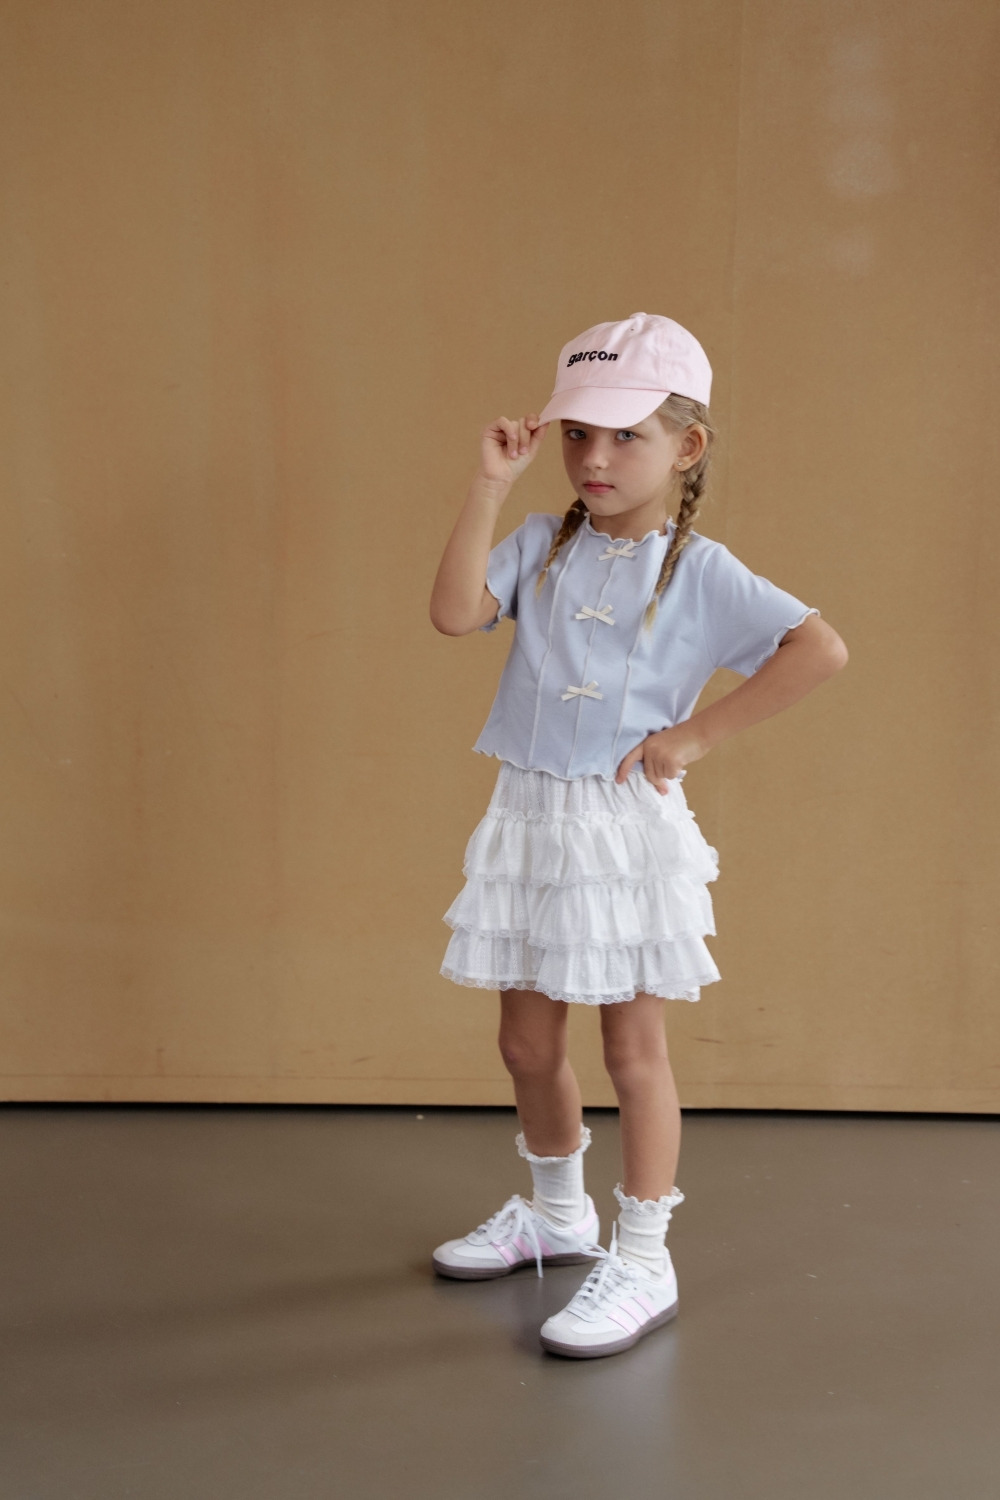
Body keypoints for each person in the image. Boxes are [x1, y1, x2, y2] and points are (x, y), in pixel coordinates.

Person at [427, 312, 848, 1359]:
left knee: (630, 1049)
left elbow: (818, 649)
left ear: (686, 446)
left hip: (618, 832)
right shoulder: (541, 543)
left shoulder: (701, 570)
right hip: (530, 816)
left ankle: (645, 1255)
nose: (595, 457)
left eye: (626, 436)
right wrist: (489, 486)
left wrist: (693, 736)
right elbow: (452, 613)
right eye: (577, 433)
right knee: (526, 1043)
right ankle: (557, 1214)